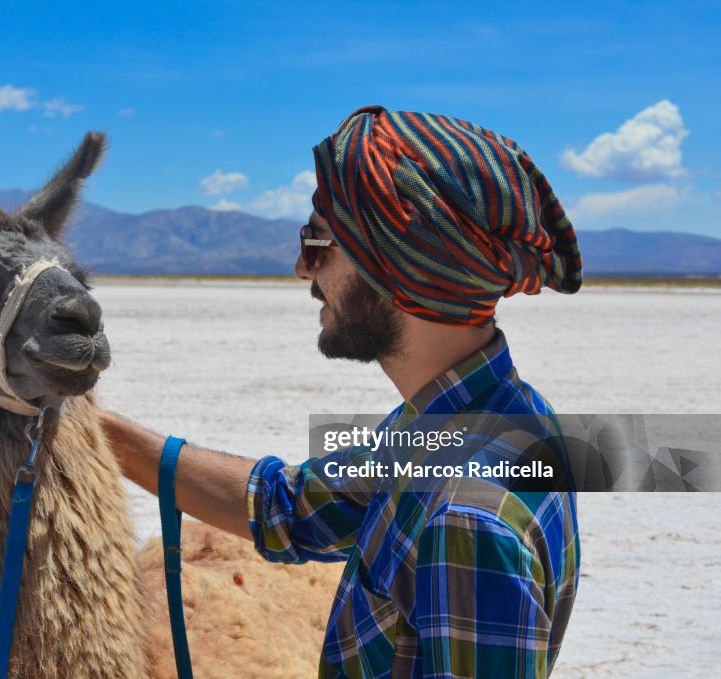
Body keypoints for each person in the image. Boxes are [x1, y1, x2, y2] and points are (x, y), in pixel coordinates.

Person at [99, 106, 581, 678]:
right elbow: (289, 506)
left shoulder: (468, 519)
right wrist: (100, 435)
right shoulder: (484, 413)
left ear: (397, 266)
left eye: (318, 242)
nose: (303, 269)